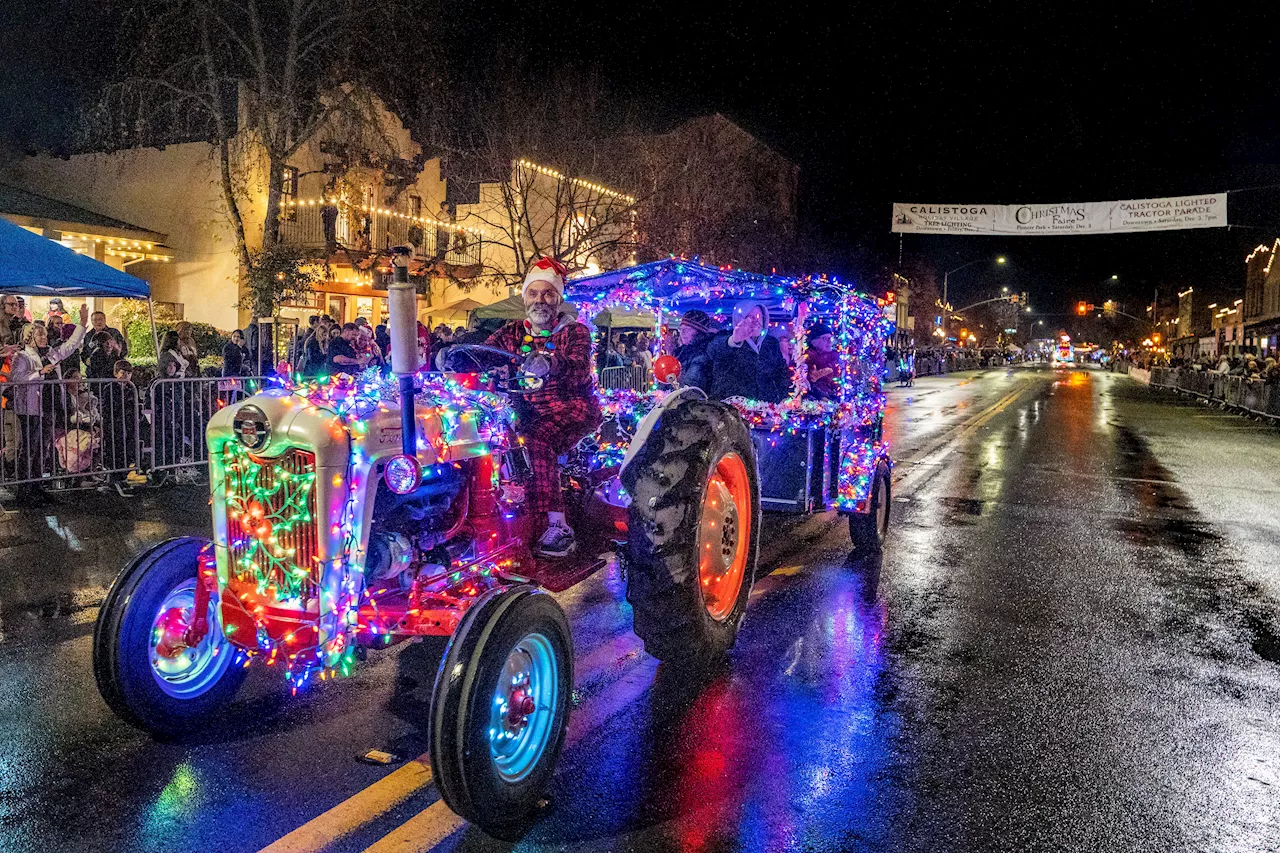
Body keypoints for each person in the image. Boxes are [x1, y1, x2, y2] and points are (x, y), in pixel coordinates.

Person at [486, 257, 601, 557]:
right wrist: (453, 355)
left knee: (535, 439)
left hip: (570, 411)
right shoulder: (513, 332)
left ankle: (558, 525)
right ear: (525, 297)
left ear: (558, 299)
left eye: (548, 294)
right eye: (533, 294)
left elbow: (578, 368)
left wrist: (551, 363)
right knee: (488, 435)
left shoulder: (573, 332)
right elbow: (484, 350)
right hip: (527, 412)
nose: (540, 301)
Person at [9, 303, 87, 496]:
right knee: (29, 447)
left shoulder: (51, 353)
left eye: (44, 334)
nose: (44, 338)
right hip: (30, 408)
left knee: (43, 446)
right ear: (31, 338)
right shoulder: (22, 356)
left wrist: (82, 324)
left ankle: (38, 484)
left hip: (50, 405)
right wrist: (40, 373)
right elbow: (17, 379)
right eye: (40, 335)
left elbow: (69, 347)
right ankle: (24, 486)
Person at [707, 301, 791, 403]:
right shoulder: (724, 338)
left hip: (765, 408)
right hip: (732, 408)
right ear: (739, 319)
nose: (756, 322)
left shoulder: (771, 344)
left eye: (759, 317)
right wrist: (735, 340)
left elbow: (780, 373)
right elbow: (715, 351)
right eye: (750, 318)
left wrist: (785, 396)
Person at [675, 309, 716, 391]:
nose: (682, 332)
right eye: (681, 329)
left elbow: (690, 386)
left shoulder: (703, 354)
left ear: (699, 332)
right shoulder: (682, 351)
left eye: (687, 329)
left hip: (694, 401)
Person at [805, 323, 840, 399]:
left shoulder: (834, 359)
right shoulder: (806, 359)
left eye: (830, 338)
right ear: (813, 341)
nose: (829, 342)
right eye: (825, 338)